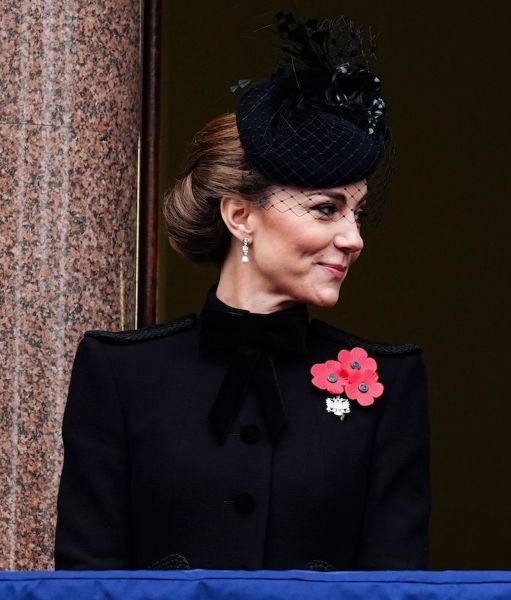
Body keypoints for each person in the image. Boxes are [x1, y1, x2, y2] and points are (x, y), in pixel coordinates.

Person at [55, 14, 429, 571]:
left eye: (358, 214)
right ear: (239, 216)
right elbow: (86, 582)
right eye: (326, 209)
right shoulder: (121, 374)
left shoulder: (390, 383)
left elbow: (397, 585)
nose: (353, 239)